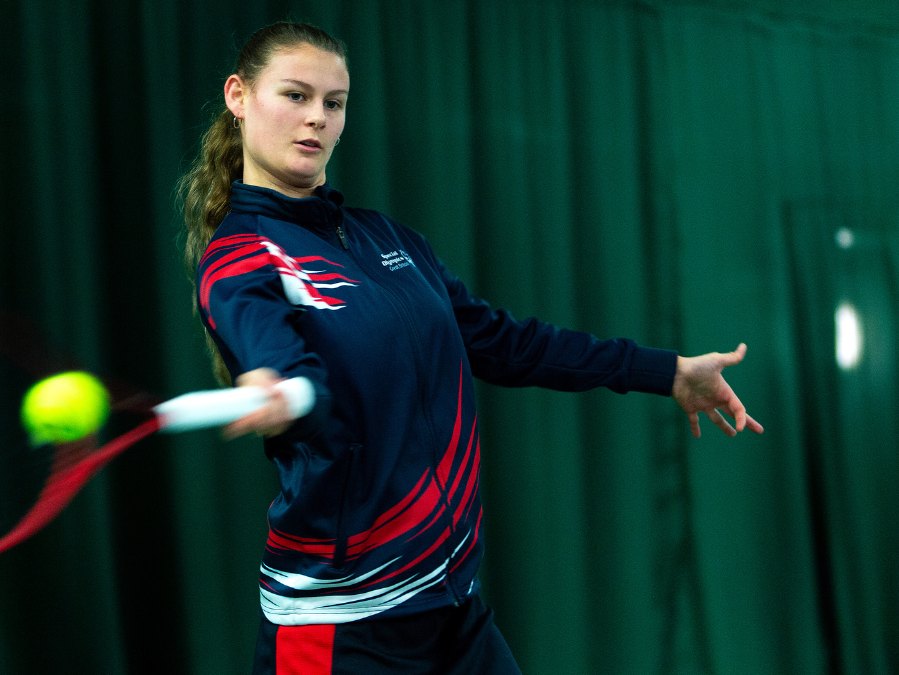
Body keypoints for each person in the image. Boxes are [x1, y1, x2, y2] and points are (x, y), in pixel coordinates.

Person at [177, 21, 763, 675]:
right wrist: (277, 389)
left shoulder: (387, 240)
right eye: (295, 95)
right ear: (239, 96)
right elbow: (284, 362)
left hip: (454, 611)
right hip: (340, 632)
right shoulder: (237, 258)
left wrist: (669, 372)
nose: (316, 118)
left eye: (333, 102)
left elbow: (507, 343)